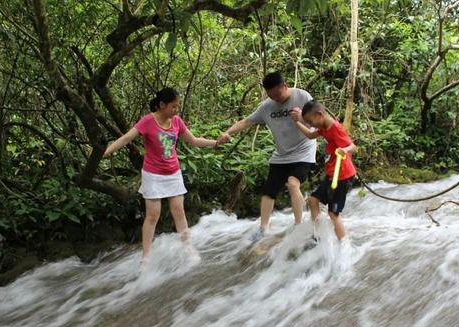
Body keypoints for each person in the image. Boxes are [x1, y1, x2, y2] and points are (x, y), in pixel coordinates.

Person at [103, 87, 219, 262]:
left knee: (179, 212)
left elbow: (194, 141)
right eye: (173, 106)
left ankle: (189, 249)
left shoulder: (177, 121)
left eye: (177, 106)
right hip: (153, 175)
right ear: (161, 105)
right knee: (153, 215)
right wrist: (104, 152)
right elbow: (126, 138)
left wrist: (216, 142)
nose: (176, 110)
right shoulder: (147, 121)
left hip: (173, 173)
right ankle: (146, 257)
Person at [217, 72, 316, 240]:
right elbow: (247, 121)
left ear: (285, 86)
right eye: (271, 96)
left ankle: (299, 226)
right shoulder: (267, 106)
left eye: (278, 95)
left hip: (303, 150)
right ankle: (263, 229)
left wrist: (302, 117)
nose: (276, 99)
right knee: (268, 191)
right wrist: (227, 132)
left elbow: (318, 119)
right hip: (281, 154)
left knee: (293, 184)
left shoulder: (302, 96)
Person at [292, 99, 356, 240]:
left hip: (342, 176)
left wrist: (344, 150)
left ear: (319, 114)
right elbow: (310, 135)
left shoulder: (336, 129)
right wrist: (297, 122)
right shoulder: (323, 127)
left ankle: (343, 245)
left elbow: (352, 147)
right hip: (332, 174)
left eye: (310, 122)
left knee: (333, 214)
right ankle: (317, 236)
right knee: (313, 200)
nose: (310, 125)